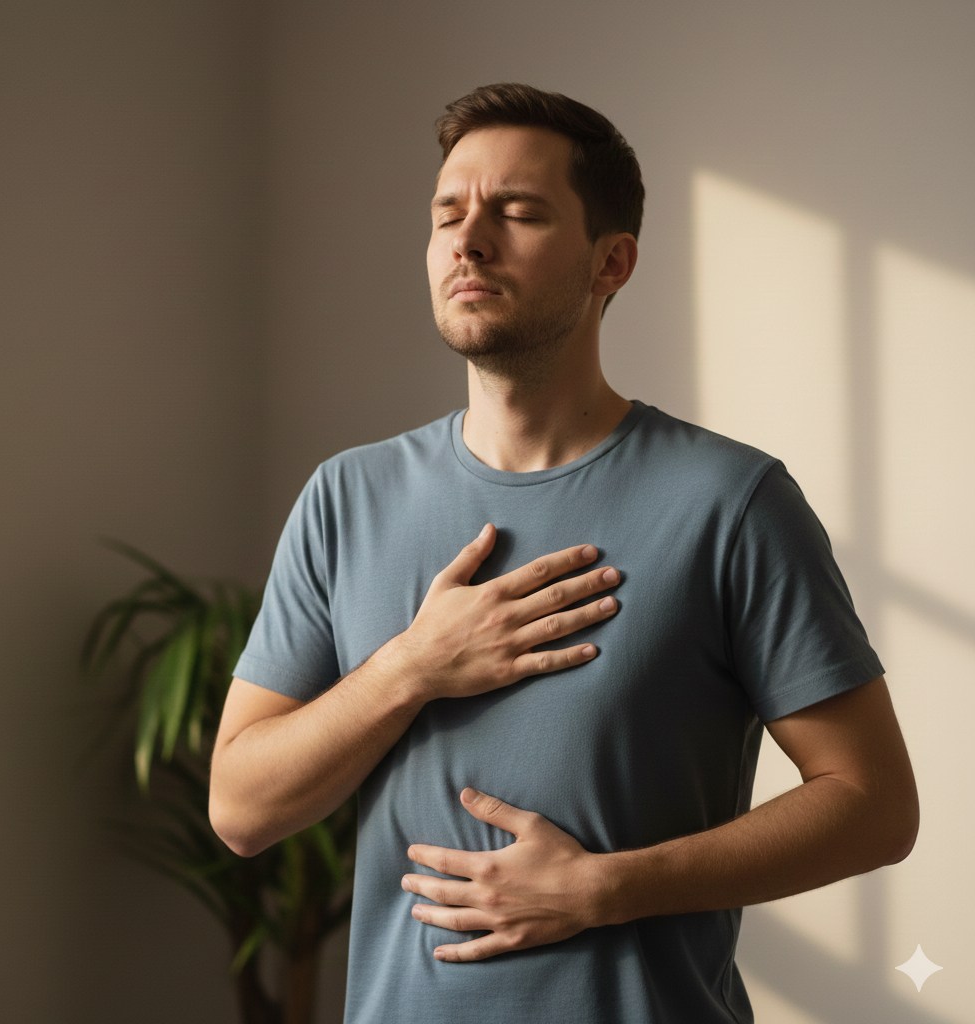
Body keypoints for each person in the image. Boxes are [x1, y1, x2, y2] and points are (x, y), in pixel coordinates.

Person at [209, 83, 919, 1022]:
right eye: (447, 214)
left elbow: (873, 804)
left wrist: (607, 888)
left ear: (610, 262)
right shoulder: (347, 498)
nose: (469, 240)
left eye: (519, 212)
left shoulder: (731, 503)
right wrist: (414, 666)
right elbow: (242, 811)